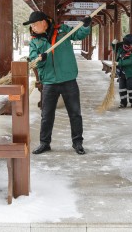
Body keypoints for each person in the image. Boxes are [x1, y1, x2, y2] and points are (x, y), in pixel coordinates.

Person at [24, 11, 92, 155]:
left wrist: (85, 26)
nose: (33, 28)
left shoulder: (62, 30)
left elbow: (78, 34)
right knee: (47, 114)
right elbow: (34, 62)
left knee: (75, 114)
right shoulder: (35, 41)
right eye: (32, 25)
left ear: (44, 22)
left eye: (35, 24)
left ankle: (77, 142)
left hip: (68, 79)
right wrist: (39, 59)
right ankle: (44, 143)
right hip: (49, 81)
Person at [111, 34, 132, 108]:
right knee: (122, 87)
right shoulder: (121, 47)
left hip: (131, 73)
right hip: (121, 72)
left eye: (128, 45)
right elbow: (115, 49)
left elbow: (131, 61)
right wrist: (113, 44)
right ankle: (123, 102)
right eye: (125, 45)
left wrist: (119, 63)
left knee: (130, 87)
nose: (126, 47)